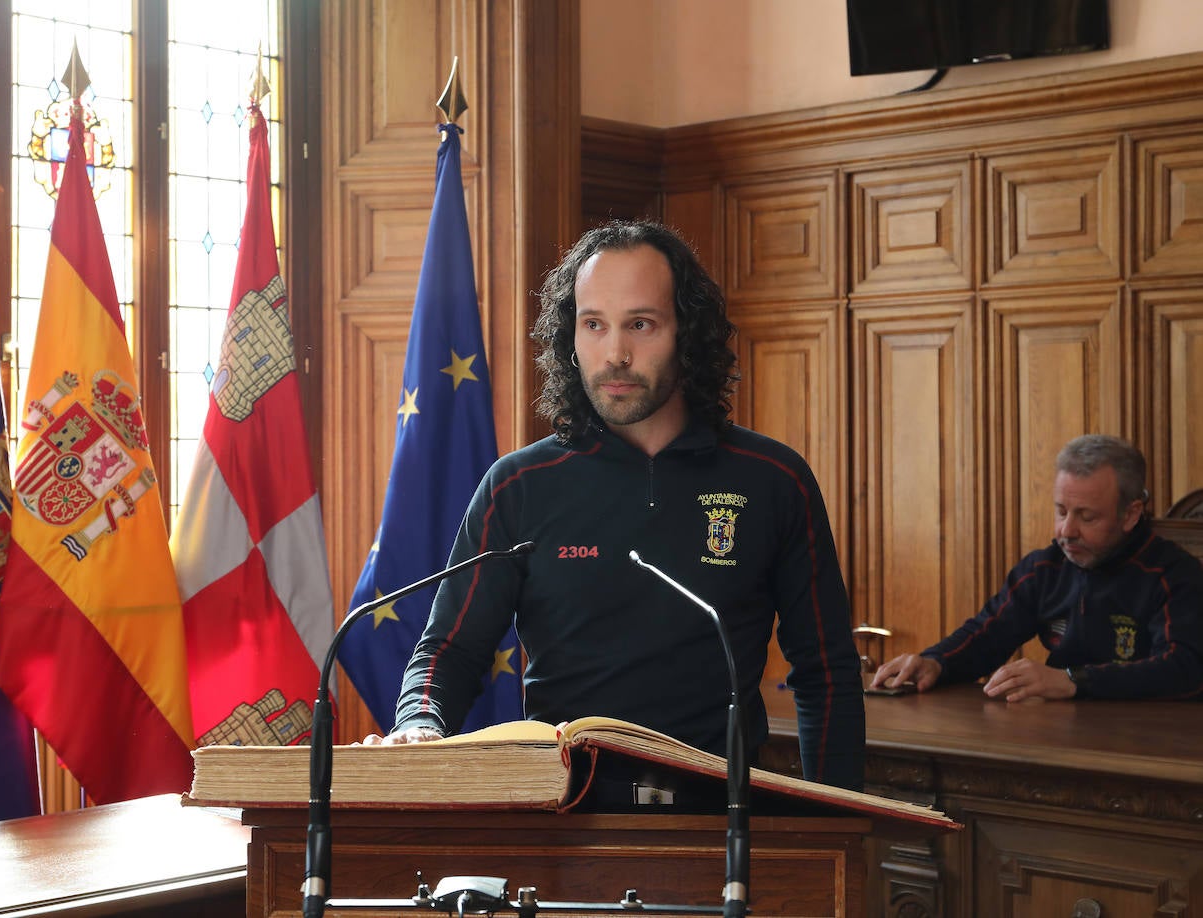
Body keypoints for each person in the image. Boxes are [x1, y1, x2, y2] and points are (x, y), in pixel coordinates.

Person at [367, 219, 866, 791]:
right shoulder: (519, 485)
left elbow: (826, 674)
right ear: (570, 339)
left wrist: (839, 822)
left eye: (641, 324)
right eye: (594, 325)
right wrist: (419, 724)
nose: (616, 353)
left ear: (688, 332)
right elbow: (448, 651)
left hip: (722, 824)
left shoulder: (774, 479)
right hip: (561, 814)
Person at [871, 435, 1203, 702]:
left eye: (1087, 517)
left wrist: (1073, 681)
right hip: (1057, 738)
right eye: (1061, 511)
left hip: (1149, 746)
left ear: (1131, 514)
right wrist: (935, 662)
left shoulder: (1176, 575)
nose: (1066, 531)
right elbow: (986, 634)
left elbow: (1185, 668)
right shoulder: (1046, 567)